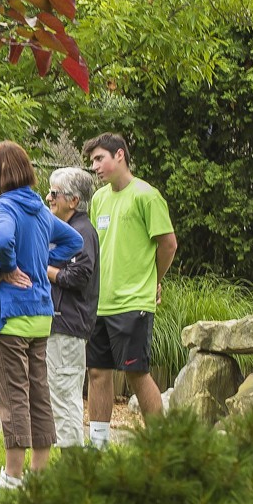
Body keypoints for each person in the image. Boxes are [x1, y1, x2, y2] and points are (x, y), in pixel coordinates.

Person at [0, 142, 84, 490]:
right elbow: (73, 241)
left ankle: (13, 476)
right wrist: (39, 263)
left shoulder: (3, 206)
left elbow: (3, 240)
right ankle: (38, 473)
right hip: (41, 314)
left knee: (14, 394)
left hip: (11, 316)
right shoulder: (37, 207)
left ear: (1, 173)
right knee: (39, 392)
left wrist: (9, 267)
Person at [83, 133, 177, 448]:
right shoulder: (99, 200)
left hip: (133, 303)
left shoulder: (147, 196)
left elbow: (168, 244)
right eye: (92, 161)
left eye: (100, 159)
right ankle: (98, 445)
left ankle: (161, 445)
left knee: (137, 374)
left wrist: (154, 280)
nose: (95, 166)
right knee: (97, 372)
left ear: (120, 155)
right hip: (102, 304)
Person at [44, 167, 99, 449]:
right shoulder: (68, 229)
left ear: (73, 201)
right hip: (60, 323)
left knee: (65, 393)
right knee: (58, 392)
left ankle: (72, 461)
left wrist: (46, 270)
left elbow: (80, 275)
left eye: (54, 193)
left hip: (68, 324)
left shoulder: (82, 232)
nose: (48, 197)